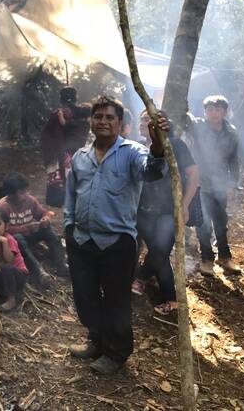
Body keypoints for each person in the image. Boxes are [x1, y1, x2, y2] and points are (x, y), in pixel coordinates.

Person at [64, 96, 169, 375]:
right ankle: (96, 341)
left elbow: (154, 171)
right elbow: (70, 196)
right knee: (85, 299)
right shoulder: (81, 157)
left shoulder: (132, 152)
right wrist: (69, 228)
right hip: (82, 240)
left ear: (120, 123)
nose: (103, 121)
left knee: (116, 301)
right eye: (98, 117)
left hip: (117, 242)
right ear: (91, 121)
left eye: (110, 117)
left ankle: (117, 353)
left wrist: (157, 142)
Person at [131, 111, 200, 315]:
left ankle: (142, 279)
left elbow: (194, 175)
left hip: (168, 210)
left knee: (160, 250)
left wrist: (184, 205)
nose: (144, 123)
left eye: (149, 120)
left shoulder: (175, 144)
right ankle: (169, 298)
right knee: (155, 253)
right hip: (142, 209)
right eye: (142, 119)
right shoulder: (136, 146)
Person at [188, 95, 241, 276]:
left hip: (220, 184)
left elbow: (234, 162)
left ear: (225, 112)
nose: (214, 113)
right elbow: (183, 118)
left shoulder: (231, 132)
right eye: (210, 109)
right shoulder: (198, 126)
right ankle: (207, 259)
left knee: (221, 221)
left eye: (218, 109)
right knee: (203, 223)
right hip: (200, 183)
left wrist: (232, 185)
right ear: (205, 112)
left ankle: (225, 257)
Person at [0, 172, 67, 278]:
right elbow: (1, 231)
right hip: (15, 242)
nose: (25, 195)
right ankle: (39, 271)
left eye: (25, 191)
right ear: (11, 194)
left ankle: (61, 264)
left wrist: (45, 219)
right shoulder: (3, 207)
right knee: (17, 238)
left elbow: (43, 213)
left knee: (47, 229)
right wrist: (25, 228)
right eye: (21, 193)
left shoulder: (29, 200)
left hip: (31, 235)